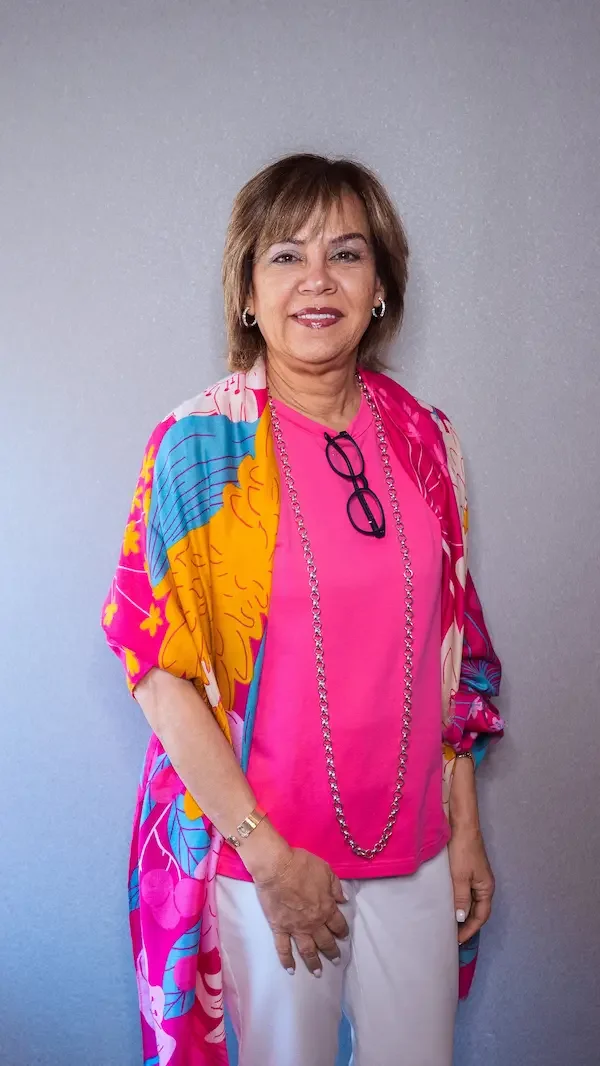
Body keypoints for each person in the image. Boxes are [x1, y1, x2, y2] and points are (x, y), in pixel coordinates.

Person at [102, 153, 504, 1066]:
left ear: (380, 288)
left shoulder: (426, 438)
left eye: (346, 254)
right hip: (265, 864)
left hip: (415, 856)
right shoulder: (199, 447)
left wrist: (465, 831)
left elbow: (454, 656)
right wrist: (271, 859)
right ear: (248, 292)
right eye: (286, 255)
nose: (317, 279)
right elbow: (158, 673)